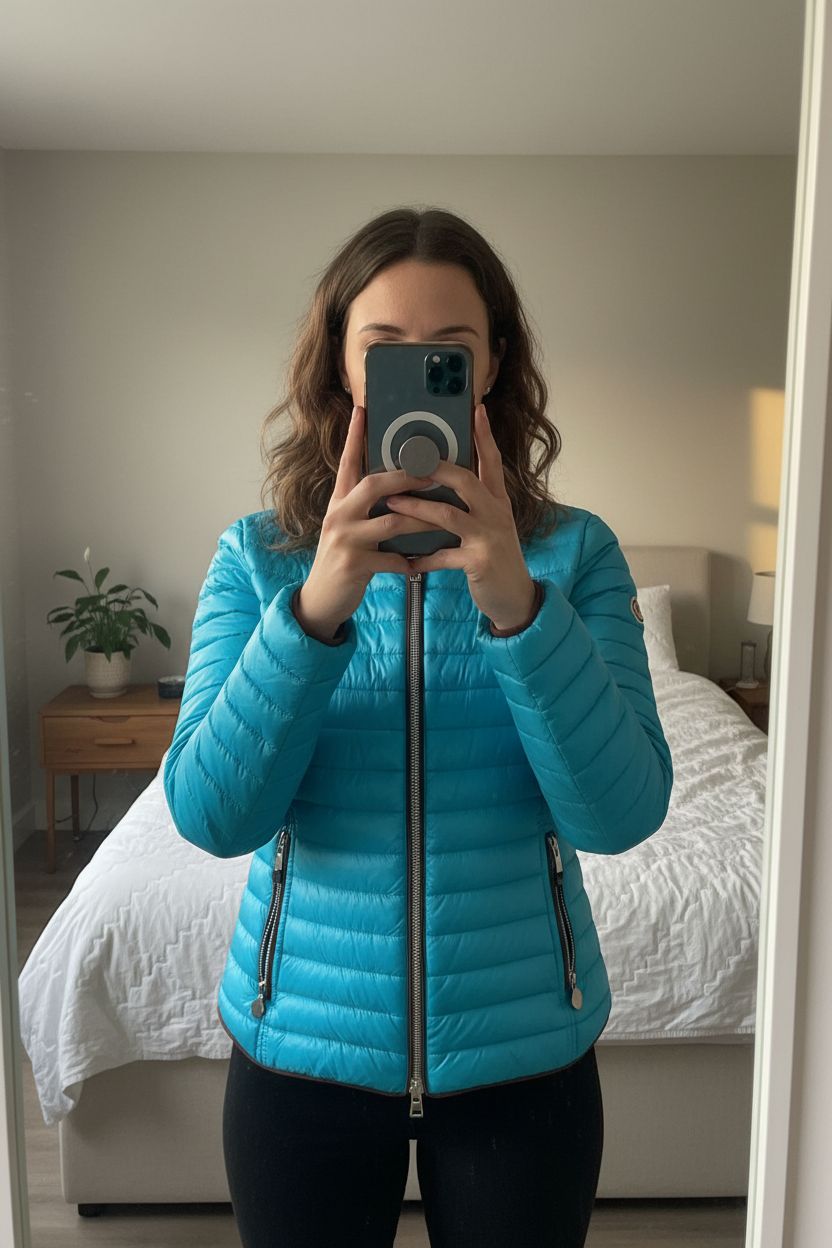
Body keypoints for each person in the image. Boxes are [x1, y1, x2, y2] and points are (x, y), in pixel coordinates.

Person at [163, 206, 674, 1247]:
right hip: (299, 1049)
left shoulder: (574, 556)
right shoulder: (256, 559)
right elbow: (213, 818)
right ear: (342, 367)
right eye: (385, 347)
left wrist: (518, 608)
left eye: (450, 351)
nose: (418, 373)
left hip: (522, 1058)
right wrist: (316, 608)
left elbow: (619, 816)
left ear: (492, 369)